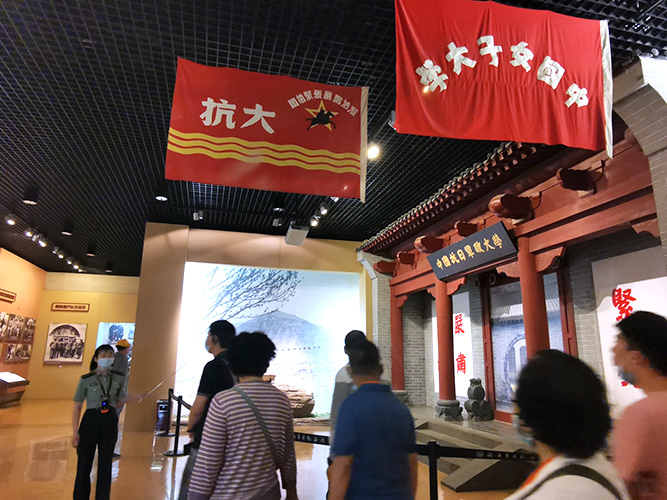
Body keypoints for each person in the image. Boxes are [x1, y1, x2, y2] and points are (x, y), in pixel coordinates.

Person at [506, 350, 630, 500]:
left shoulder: (559, 492)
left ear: (528, 417)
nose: (514, 412)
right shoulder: (598, 467)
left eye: (516, 404)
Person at [188, 331, 298, 500]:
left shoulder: (223, 401)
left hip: (228, 494)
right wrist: (291, 491)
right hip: (269, 494)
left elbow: (208, 461)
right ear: (266, 362)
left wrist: (196, 496)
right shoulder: (281, 400)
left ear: (233, 363)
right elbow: (288, 453)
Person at [328, 339, 418, 500]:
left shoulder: (350, 408)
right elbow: (412, 461)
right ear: (381, 369)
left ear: (350, 372)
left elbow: (343, 465)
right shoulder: (402, 410)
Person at [72, 344, 144, 500]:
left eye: (110, 355)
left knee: (105, 464)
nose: (107, 358)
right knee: (84, 464)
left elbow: (121, 398)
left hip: (109, 421)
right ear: (96, 359)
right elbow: (77, 406)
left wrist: (137, 396)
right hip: (90, 420)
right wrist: (75, 432)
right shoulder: (86, 379)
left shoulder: (118, 378)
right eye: (103, 355)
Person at [178, 320, 237, 500]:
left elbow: (199, 405)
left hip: (210, 430)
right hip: (234, 431)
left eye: (209, 335)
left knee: (195, 481)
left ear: (214, 339)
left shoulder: (214, 366)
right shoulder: (239, 365)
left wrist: (191, 428)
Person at [611, 311, 667, 500]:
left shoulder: (642, 414)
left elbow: (621, 487)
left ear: (637, 356)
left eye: (618, 340)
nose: (613, 351)